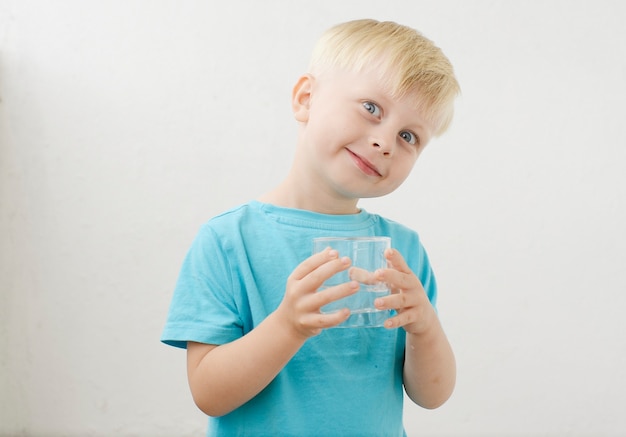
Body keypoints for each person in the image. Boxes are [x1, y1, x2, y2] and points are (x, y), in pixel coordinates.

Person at [161, 18, 460, 437]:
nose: (386, 142)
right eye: (371, 108)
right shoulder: (228, 241)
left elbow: (431, 395)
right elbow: (209, 392)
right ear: (306, 98)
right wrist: (287, 326)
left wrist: (424, 325)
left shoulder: (402, 250)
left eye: (409, 136)